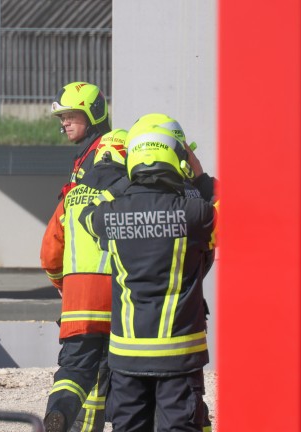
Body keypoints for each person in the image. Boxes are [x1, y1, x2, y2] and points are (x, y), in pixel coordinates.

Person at [79, 124, 217, 432]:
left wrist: (126, 181)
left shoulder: (109, 216)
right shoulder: (194, 213)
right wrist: (200, 176)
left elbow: (87, 211)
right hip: (179, 355)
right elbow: (226, 207)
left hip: (127, 356)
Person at [41, 129, 129, 432]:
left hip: (78, 304)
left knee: (75, 369)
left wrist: (65, 286)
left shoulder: (72, 195)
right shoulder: (131, 193)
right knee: (124, 376)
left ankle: (62, 415)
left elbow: (50, 254)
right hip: (121, 304)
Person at [51, 81, 112, 199]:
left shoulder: (104, 152)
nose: (65, 123)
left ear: (94, 113)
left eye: (71, 116)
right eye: (63, 118)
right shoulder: (86, 152)